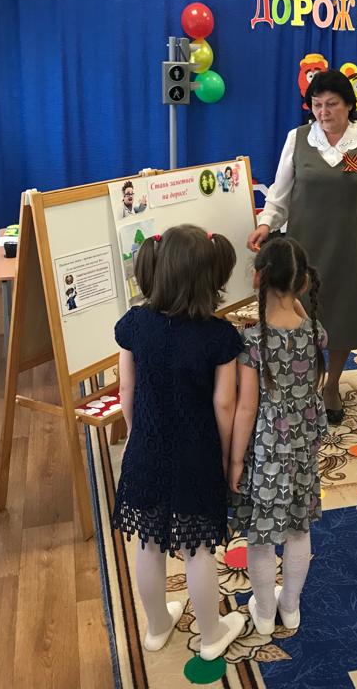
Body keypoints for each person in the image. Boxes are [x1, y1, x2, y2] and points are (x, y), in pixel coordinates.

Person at [111, 226, 246, 658]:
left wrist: (136, 434)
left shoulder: (134, 324)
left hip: (146, 447)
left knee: (148, 543)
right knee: (198, 548)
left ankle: (155, 628)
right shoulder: (220, 336)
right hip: (197, 452)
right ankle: (211, 635)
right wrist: (224, 454)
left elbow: (126, 391)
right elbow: (224, 404)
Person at [247, 69, 357, 425]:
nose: (323, 112)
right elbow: (280, 193)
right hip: (304, 246)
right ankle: (303, 381)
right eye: (317, 105)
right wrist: (266, 223)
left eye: (331, 104)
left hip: (351, 246)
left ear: (349, 105)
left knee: (343, 315)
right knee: (299, 314)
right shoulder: (297, 139)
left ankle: (331, 386)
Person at [228, 236, 326, 635]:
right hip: (303, 445)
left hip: (267, 450)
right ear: (302, 283)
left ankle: (265, 613)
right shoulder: (315, 332)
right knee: (299, 528)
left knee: (262, 535)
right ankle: (291, 606)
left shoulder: (253, 341)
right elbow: (297, 313)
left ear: (257, 278)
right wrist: (294, 300)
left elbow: (246, 408)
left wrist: (235, 460)